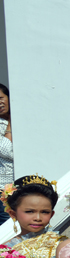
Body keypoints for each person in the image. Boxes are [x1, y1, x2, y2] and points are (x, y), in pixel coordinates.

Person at [0, 85, 12, 225]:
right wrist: (10, 122)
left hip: (20, 187)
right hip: (3, 188)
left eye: (1, 98)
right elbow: (6, 151)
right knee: (7, 226)